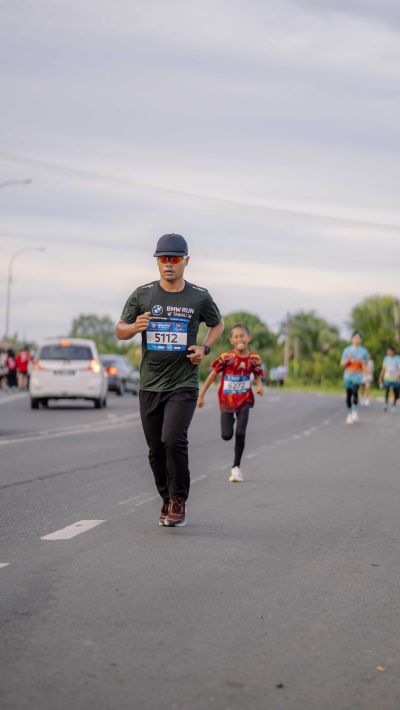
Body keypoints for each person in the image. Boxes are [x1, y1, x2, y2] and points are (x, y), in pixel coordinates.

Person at [116, 233, 224, 527]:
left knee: (173, 438)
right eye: (163, 258)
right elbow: (120, 329)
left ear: (186, 261)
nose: (168, 264)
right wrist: (134, 327)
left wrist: (204, 348)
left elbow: (217, 324)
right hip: (150, 384)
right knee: (155, 449)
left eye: (174, 259)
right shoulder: (143, 294)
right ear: (157, 261)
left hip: (183, 383)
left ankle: (178, 499)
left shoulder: (199, 296)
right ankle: (165, 498)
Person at [197, 324, 264, 482]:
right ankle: (230, 420)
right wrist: (202, 394)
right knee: (226, 435)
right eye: (236, 336)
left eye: (242, 336)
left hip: (245, 400)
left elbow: (256, 374)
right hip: (227, 401)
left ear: (249, 338)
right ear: (231, 340)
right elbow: (213, 375)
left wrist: (259, 385)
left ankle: (236, 468)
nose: (239, 339)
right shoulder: (226, 357)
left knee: (240, 433)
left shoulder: (254, 359)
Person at [340, 332, 369, 424]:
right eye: (355, 338)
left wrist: (366, 376)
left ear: (360, 340)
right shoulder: (347, 350)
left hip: (358, 375)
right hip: (348, 375)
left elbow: (366, 364)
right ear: (352, 339)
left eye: (358, 338)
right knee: (349, 394)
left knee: (355, 391)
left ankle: (354, 411)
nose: (357, 340)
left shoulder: (364, 351)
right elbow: (342, 365)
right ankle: (349, 413)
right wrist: (348, 359)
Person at [378, 346, 400, 412]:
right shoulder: (386, 358)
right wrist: (380, 377)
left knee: (396, 393)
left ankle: (394, 404)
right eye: (388, 351)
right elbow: (383, 368)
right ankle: (386, 404)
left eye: (390, 351)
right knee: (386, 391)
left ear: (393, 351)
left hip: (396, 378)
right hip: (387, 378)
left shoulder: (398, 358)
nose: (388, 352)